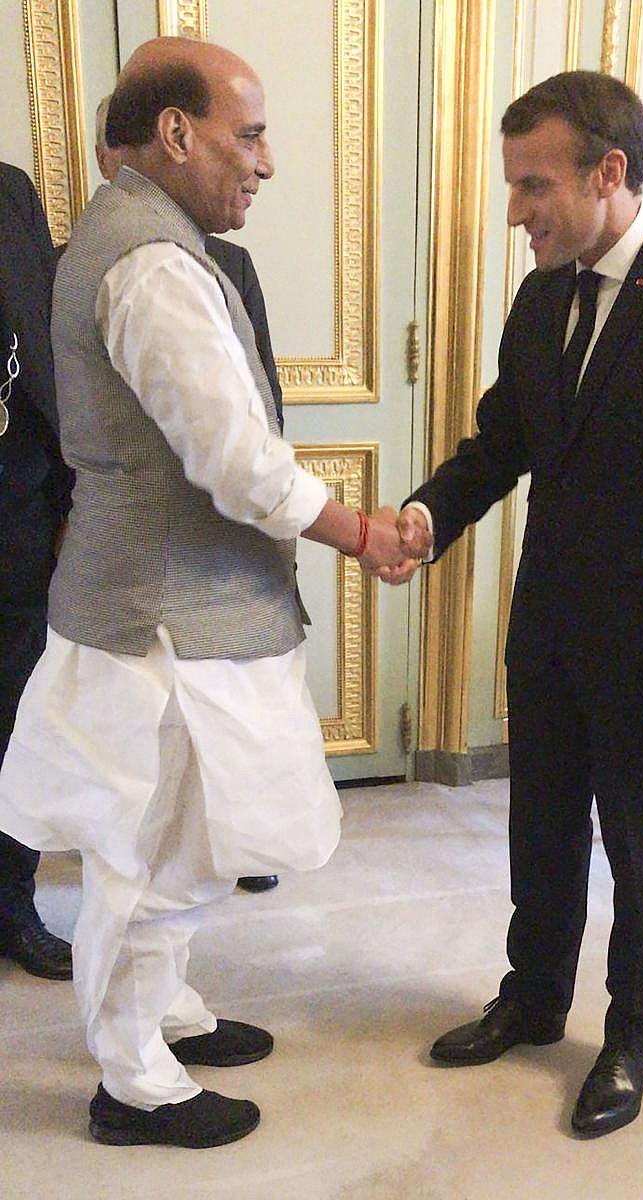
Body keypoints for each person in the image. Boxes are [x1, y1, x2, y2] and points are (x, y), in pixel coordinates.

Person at [0, 36, 427, 1149]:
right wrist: (359, 532)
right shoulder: (150, 261)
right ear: (176, 133)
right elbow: (234, 460)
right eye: (248, 133)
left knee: (170, 844)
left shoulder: (133, 235)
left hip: (153, 609)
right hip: (168, 625)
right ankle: (134, 1082)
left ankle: (165, 1016)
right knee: (163, 857)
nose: (266, 162)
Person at [393, 70, 643, 1137]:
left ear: (607, 174)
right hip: (549, 632)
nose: (515, 211)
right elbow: (500, 445)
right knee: (539, 831)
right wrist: (423, 521)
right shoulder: (541, 296)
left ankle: (629, 1038)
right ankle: (530, 998)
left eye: (532, 186)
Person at [96, 93, 281, 897]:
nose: (261, 162)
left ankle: (236, 839)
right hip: (143, 554)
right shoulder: (95, 264)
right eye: (246, 137)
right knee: (156, 741)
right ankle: (148, 1002)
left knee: (235, 710)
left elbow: (261, 399)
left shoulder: (229, 264)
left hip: (231, 539)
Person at [0, 162, 75, 982]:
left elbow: (40, 346)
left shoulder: (10, 192)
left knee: (12, 712)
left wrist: (65, 496)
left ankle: (12, 903)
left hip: (15, 501)